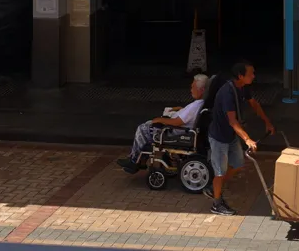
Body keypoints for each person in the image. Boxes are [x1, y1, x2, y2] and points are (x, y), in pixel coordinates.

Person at [207, 61, 274, 216]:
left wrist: (267, 122)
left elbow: (254, 104)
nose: (254, 76)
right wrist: (247, 139)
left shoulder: (243, 87)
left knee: (238, 164)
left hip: (231, 136)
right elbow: (232, 121)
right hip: (219, 137)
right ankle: (216, 204)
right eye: (251, 73)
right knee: (219, 172)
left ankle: (215, 187)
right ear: (240, 76)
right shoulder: (227, 94)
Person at [117, 74, 208, 173]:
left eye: (193, 87)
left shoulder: (195, 106)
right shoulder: (201, 103)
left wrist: (161, 120)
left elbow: (177, 122)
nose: (191, 89)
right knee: (148, 125)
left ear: (201, 90)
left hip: (173, 132)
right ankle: (141, 160)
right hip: (179, 129)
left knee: (143, 128)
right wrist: (181, 109)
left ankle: (134, 160)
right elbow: (187, 116)